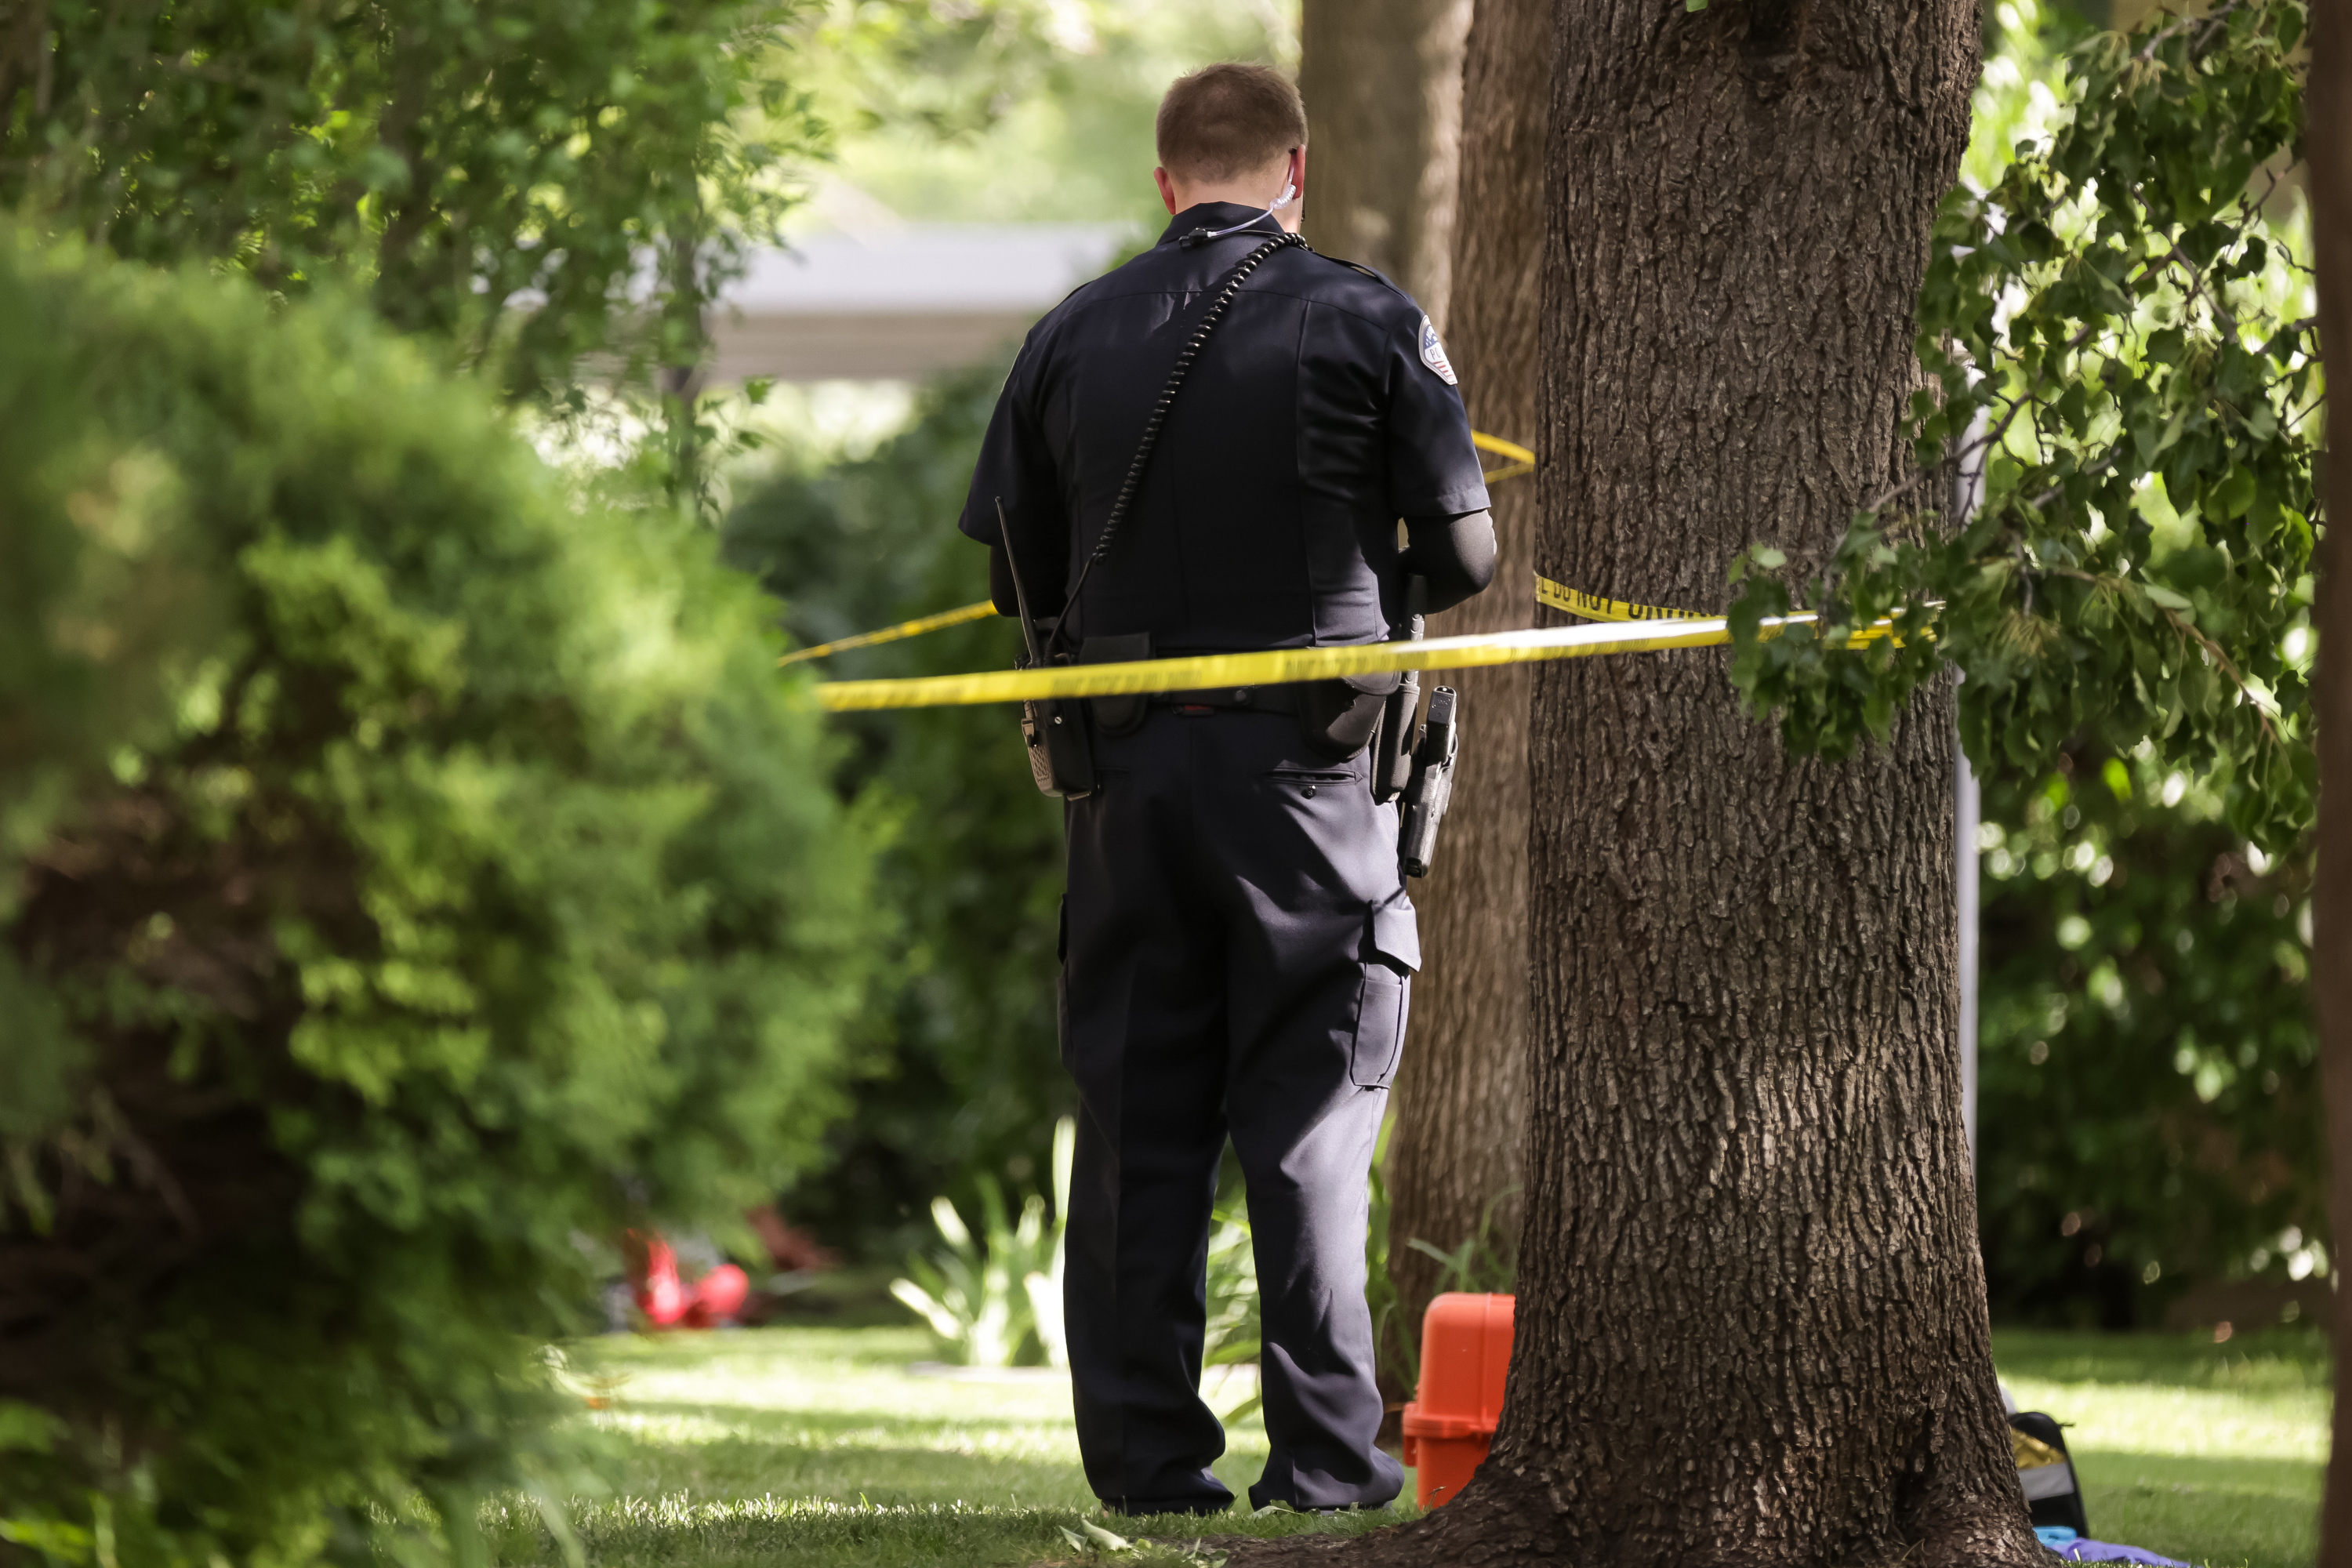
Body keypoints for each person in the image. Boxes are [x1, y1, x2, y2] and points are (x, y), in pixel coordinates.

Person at [956, 60, 1496, 1518]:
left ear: (1164, 179)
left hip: (1127, 780)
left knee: (1139, 1125)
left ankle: (1145, 1471)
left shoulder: (1069, 336)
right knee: (1312, 1122)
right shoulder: (1369, 319)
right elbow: (1465, 563)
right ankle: (1325, 1467)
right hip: (1311, 782)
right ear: (1297, 171)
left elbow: (1013, 564)